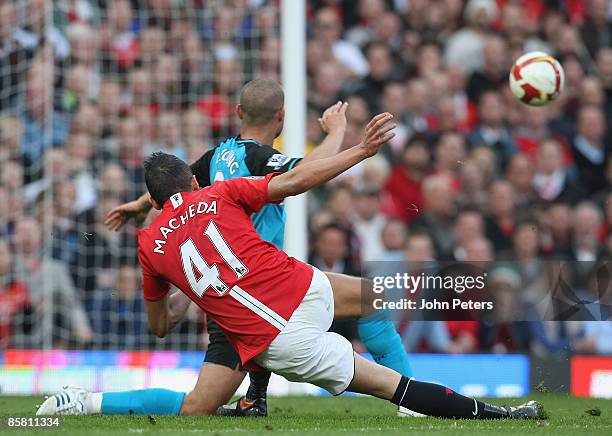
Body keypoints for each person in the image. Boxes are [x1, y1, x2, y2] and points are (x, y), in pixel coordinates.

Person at [38, 119, 543, 420]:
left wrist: (186, 291)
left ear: (153, 198)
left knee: (196, 408)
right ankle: (502, 307)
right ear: (193, 179)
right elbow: (297, 181)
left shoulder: (149, 247)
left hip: (267, 336)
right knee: (382, 297)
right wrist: (358, 149)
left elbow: (159, 327)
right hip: (297, 290)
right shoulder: (220, 190)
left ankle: (82, 402)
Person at [97, 79, 412, 417]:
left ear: (238, 112)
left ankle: (253, 399)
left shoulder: (217, 156)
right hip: (260, 290)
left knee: (198, 406)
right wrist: (336, 133)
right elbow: (302, 174)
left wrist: (143, 204)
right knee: (369, 299)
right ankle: (411, 397)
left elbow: (176, 185)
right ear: (282, 116)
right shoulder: (259, 158)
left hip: (226, 294)